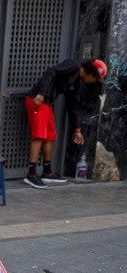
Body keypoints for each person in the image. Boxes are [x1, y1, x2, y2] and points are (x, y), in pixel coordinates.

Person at [24, 59, 107, 189]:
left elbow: (72, 104)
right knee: (39, 136)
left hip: (47, 103)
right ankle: (31, 174)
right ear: (91, 73)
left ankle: (47, 171)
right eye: (96, 79)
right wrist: (41, 94)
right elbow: (51, 72)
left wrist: (77, 129)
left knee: (50, 136)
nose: (94, 82)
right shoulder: (73, 66)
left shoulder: (76, 81)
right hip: (37, 100)